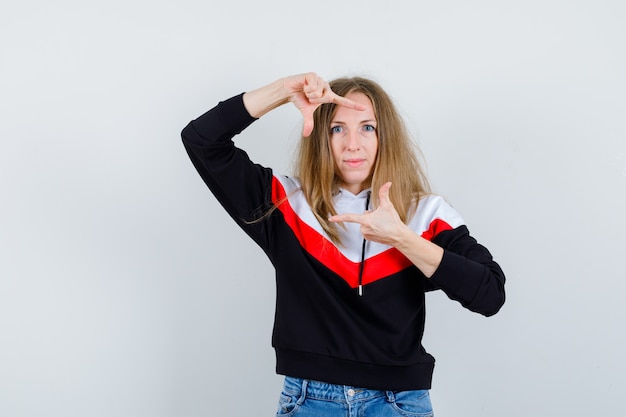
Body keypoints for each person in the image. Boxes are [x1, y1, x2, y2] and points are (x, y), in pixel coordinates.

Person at [181, 72, 505, 417]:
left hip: (397, 403)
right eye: (338, 129)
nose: (353, 144)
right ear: (322, 137)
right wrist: (282, 92)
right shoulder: (286, 204)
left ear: (386, 137)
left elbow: (489, 295)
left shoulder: (425, 214)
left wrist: (402, 238)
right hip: (308, 400)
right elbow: (202, 141)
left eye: (367, 127)